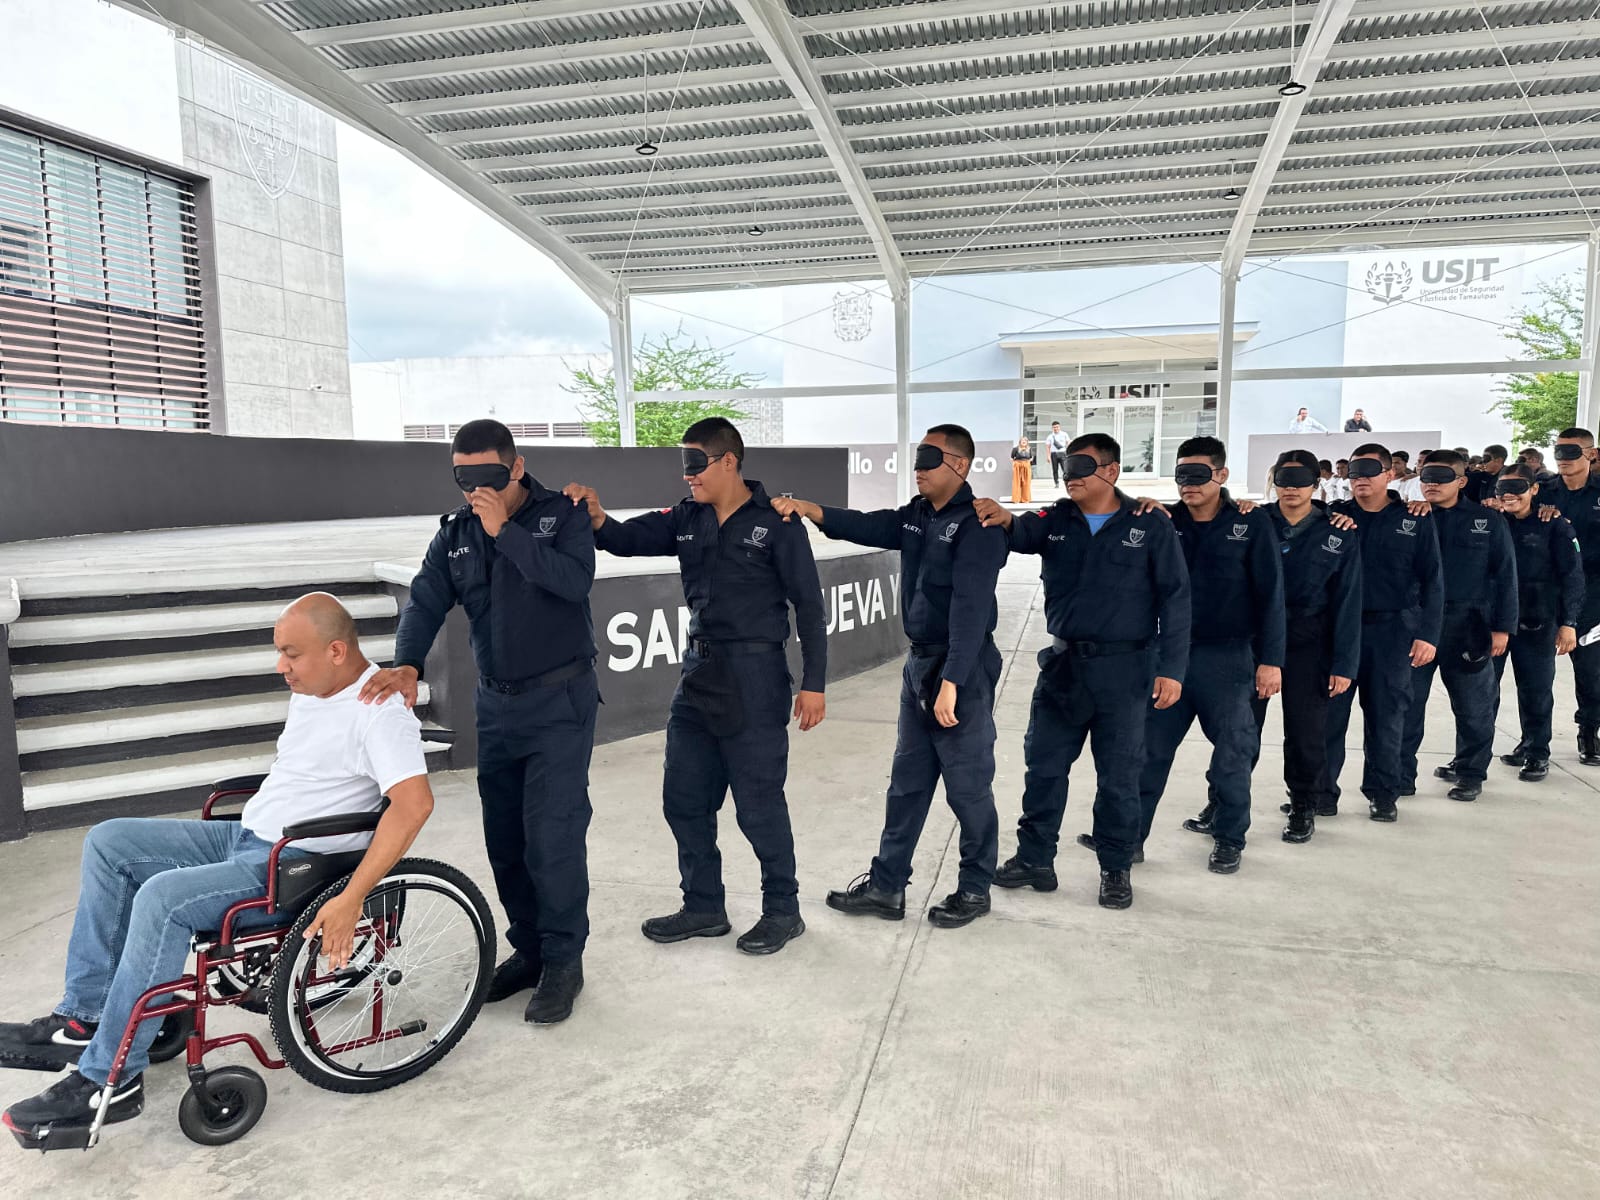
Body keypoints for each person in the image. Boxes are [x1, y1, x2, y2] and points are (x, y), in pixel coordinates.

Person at [0, 595, 434, 1135]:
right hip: (248, 836)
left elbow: (414, 805)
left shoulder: (379, 712)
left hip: (293, 866)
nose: (281, 667)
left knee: (163, 898)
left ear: (337, 651)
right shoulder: (315, 688)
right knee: (109, 842)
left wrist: (351, 900)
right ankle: (83, 1020)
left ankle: (110, 1080)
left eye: (291, 654)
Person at [564, 418, 826, 956]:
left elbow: (810, 606)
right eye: (683, 466)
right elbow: (625, 539)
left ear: (728, 461)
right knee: (683, 800)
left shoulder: (777, 524)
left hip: (756, 680)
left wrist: (814, 683)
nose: (687, 477)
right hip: (698, 677)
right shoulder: (686, 517)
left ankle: (784, 909)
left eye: (695, 464)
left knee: (758, 807)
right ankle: (703, 906)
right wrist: (597, 519)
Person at [370, 419, 597, 1024]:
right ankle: (529, 948)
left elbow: (573, 583)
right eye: (462, 478)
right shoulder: (456, 534)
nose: (475, 490)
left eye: (487, 477)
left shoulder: (563, 516)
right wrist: (408, 663)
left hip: (559, 703)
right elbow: (424, 598)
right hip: (496, 709)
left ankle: (564, 960)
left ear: (516, 468)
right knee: (506, 840)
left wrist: (507, 534)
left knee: (553, 836)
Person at [772, 425, 1009, 929]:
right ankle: (887, 887)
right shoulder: (919, 516)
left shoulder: (980, 526)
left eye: (929, 458)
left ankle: (974, 887)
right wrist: (814, 511)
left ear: (961, 465)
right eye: (916, 457)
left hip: (959, 667)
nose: (918, 467)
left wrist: (954, 682)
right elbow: (871, 526)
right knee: (906, 784)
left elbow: (970, 609)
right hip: (919, 665)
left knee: (967, 787)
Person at [974, 433, 1190, 910]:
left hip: (1127, 670)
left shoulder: (1149, 524)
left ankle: (1115, 867)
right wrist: (1002, 515)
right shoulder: (1056, 520)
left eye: (1082, 468)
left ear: (1111, 472)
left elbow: (1176, 599)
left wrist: (1172, 669)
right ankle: (1035, 859)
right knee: (1044, 767)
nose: (1071, 476)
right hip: (1064, 668)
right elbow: (1019, 530)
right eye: (1067, 468)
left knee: (1119, 775)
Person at [1128, 437, 1282, 874]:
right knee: (1148, 752)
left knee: (1233, 754)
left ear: (1221, 476)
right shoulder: (1162, 521)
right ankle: (1128, 838)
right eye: (1180, 476)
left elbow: (1272, 595)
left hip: (1230, 659)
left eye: (1197, 475)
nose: (1187, 485)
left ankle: (1229, 838)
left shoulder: (1251, 524)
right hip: (1170, 659)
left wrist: (1271, 661)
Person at [1204, 450, 1360, 844]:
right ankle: (1220, 803)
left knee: (1307, 733)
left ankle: (1303, 806)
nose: (1291, 489)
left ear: (1316, 483)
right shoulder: (1251, 520)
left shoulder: (1338, 531)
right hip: (1254, 641)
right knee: (1238, 730)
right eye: (1284, 481)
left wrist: (1344, 663)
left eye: (1301, 481)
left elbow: (1348, 602)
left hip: (1310, 643)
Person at [1325, 445, 1444, 822]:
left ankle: (1383, 793)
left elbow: (1434, 581)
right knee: (1327, 717)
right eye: (1354, 472)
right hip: (1338, 632)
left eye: (1369, 471)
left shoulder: (1414, 518)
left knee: (1387, 717)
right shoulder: (1334, 516)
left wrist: (1429, 635)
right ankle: (1319, 793)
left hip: (1393, 632)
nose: (1360, 478)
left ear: (1389, 474)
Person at [1398, 451, 1516, 802]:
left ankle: (1470, 773)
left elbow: (1506, 575)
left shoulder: (1487, 519)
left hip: (1469, 623)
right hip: (1416, 623)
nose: (1431, 483)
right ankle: (1401, 774)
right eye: (1426, 476)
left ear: (1462, 481)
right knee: (1406, 703)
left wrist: (1502, 628)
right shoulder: (1409, 517)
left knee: (1474, 706)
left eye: (1441, 477)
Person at [1493, 463, 1583, 781]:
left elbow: (1573, 576)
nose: (1509, 495)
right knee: (1482, 692)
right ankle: (1472, 758)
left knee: (1535, 690)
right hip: (1494, 623)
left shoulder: (1554, 525)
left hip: (1538, 621)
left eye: (1518, 488)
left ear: (1533, 489)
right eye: (1502, 489)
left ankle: (1536, 752)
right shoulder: (1491, 522)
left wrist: (1569, 622)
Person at [1540, 428, 1600, 764]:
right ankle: (1533, 742)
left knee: (1590, 668)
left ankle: (1589, 730)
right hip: (1547, 589)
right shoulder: (1543, 492)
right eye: (1558, 451)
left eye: (1572, 452)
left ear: (1591, 454)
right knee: (1535, 670)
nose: (1563, 459)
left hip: (1593, 592)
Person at [1011, 435, 1036, 503]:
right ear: (1020, 442)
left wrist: (1028, 462)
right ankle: (1016, 499)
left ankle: (1026, 499)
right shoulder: (1015, 449)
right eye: (1023, 441)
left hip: (1026, 466)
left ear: (1027, 442)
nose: (1024, 442)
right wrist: (1015, 464)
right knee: (1017, 482)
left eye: (1025, 441)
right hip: (1018, 466)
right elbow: (1012, 458)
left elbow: (1031, 457)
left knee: (1026, 483)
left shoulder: (1029, 449)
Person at [1046, 421, 1070, 487]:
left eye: (1057, 427)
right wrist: (1048, 456)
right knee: (1055, 469)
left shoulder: (1064, 434)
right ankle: (1056, 483)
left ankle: (1067, 482)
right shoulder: (1050, 436)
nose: (1056, 428)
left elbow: (1068, 443)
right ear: (1052, 428)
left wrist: (1068, 453)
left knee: (1065, 469)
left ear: (1059, 427)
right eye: (1054, 427)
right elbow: (1048, 447)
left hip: (1063, 453)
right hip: (1054, 454)